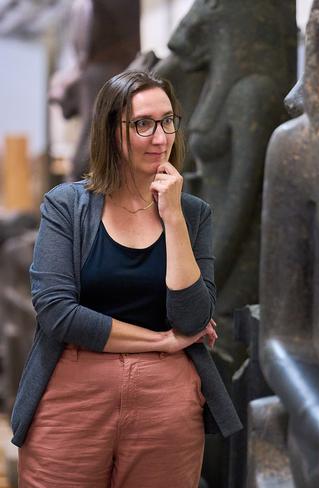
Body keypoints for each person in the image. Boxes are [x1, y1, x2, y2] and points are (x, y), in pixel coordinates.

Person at [11, 69, 241, 487]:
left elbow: (191, 318)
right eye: (143, 124)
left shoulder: (192, 213)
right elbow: (57, 314)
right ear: (110, 130)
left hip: (165, 402)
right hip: (73, 395)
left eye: (168, 120)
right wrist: (160, 341)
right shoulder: (66, 206)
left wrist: (172, 216)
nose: (161, 137)